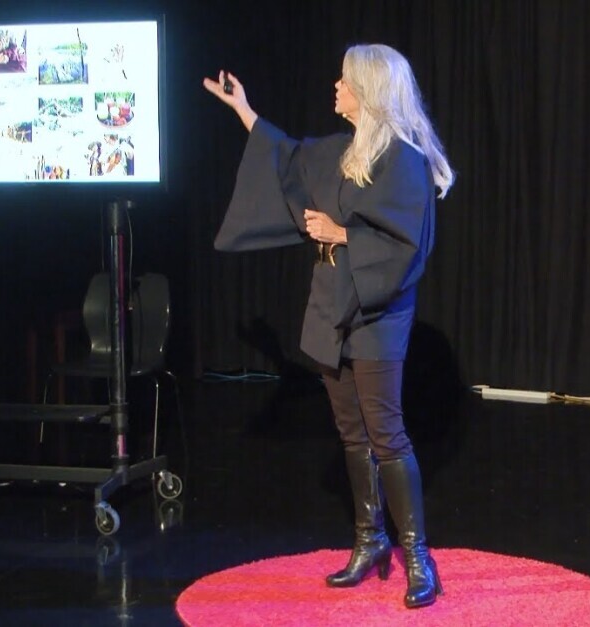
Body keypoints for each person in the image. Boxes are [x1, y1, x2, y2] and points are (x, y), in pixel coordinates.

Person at [203, 43, 453, 609]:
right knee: (350, 432)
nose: (335, 87)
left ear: (369, 90)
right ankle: (369, 540)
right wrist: (243, 109)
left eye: (345, 80)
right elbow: (288, 157)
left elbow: (406, 245)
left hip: (376, 310)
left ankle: (417, 555)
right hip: (331, 302)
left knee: (386, 432)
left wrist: (343, 234)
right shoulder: (341, 151)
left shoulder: (403, 160)